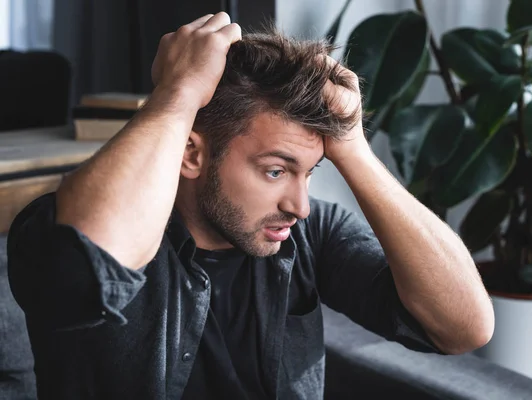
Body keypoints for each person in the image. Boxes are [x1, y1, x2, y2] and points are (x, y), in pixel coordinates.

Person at [7, 12, 494, 400]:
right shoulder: (54, 227)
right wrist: (176, 97)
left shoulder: (310, 232)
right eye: (276, 170)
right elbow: (88, 268)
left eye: (310, 172)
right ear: (192, 153)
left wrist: (351, 146)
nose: (300, 205)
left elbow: (463, 327)